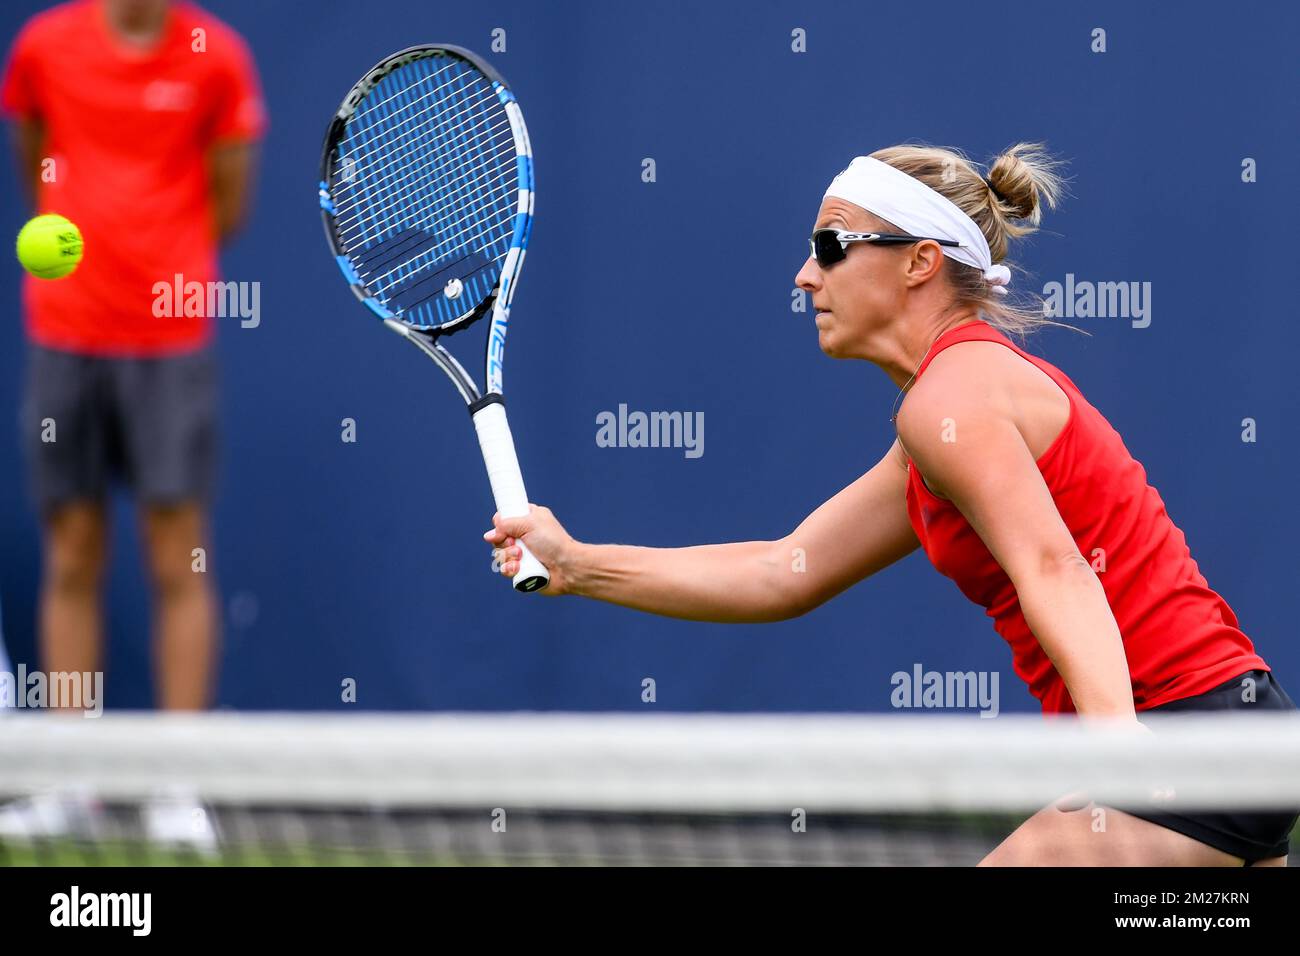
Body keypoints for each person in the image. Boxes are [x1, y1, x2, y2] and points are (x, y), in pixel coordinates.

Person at [483, 142, 1299, 866]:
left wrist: (1119, 746)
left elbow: (1055, 565)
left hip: (1177, 744)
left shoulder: (954, 401)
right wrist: (579, 564)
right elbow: (784, 572)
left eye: (831, 248)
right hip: (1231, 738)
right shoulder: (942, 416)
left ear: (920, 262)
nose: (806, 275)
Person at [1, 0, 265, 711]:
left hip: (169, 340)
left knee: (178, 558)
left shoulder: (218, 57)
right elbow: (36, 156)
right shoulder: (43, 47)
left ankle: (176, 784)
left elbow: (228, 204)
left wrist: (155, 259)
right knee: (73, 553)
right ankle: (74, 776)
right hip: (66, 329)